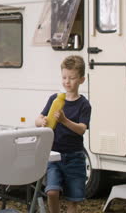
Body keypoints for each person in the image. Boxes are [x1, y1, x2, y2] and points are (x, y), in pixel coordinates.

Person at [35, 55, 91, 213]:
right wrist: (43, 121)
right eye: (64, 77)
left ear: (81, 79)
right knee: (52, 192)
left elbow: (81, 129)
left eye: (72, 78)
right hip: (53, 155)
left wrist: (65, 121)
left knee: (73, 200)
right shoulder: (55, 99)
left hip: (75, 157)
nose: (67, 81)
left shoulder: (84, 104)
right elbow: (38, 119)